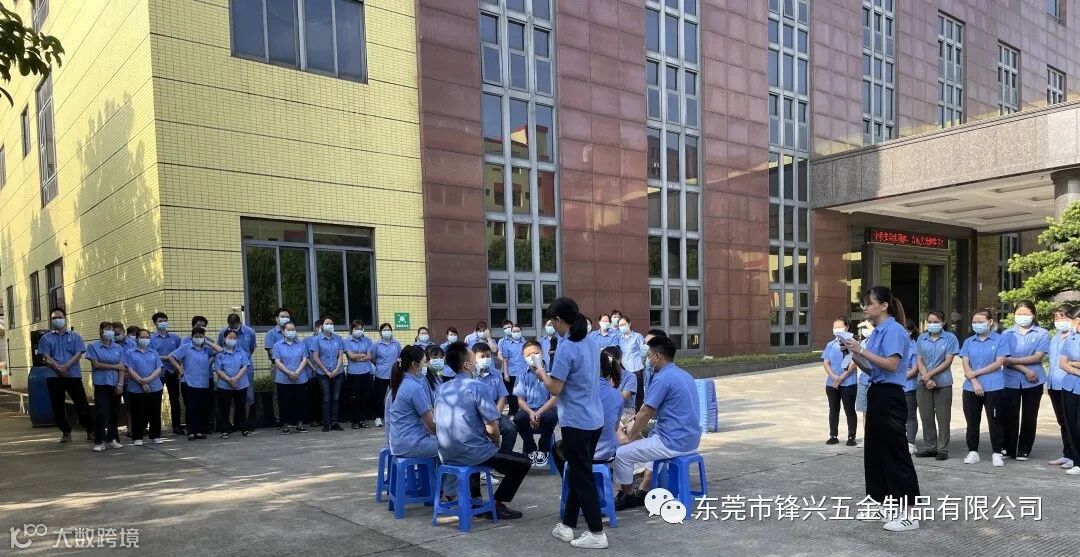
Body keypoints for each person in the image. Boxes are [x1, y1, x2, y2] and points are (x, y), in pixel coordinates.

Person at [841, 286, 920, 532]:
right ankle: (884, 504)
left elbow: (892, 364)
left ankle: (910, 513)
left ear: (884, 305)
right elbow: (872, 368)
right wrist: (854, 353)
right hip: (876, 392)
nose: (865, 308)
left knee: (896, 453)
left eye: (869, 303)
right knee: (875, 452)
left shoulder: (894, 330)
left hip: (891, 396)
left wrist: (862, 350)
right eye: (863, 304)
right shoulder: (876, 332)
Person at [533, 298, 607, 549]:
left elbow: (555, 388)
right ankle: (567, 524)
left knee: (582, 475)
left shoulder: (567, 348)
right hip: (594, 418)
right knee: (578, 471)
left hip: (576, 420)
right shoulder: (591, 341)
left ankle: (596, 532)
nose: (551, 326)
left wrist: (541, 373)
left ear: (558, 320)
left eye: (552, 321)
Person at [435, 341, 530, 520]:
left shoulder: (442, 388)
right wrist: (496, 443)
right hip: (472, 452)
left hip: (446, 452)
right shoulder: (476, 386)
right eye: (474, 357)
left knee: (477, 447)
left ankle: (475, 499)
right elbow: (492, 427)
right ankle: (497, 504)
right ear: (467, 365)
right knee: (523, 462)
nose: (478, 362)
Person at [612, 336, 701, 517]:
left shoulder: (662, 379)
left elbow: (646, 412)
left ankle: (628, 494)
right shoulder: (684, 375)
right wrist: (637, 418)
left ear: (658, 356)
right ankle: (645, 486)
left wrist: (629, 436)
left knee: (621, 453)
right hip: (691, 439)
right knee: (650, 438)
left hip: (672, 442)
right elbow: (660, 408)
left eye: (649, 355)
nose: (647, 359)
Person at [554, 345, 624, 475]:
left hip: (584, 453)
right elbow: (614, 428)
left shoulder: (576, 391)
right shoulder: (617, 394)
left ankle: (569, 482)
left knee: (556, 447)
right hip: (607, 453)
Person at [958, 308, 1010, 467]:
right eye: (974, 322)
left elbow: (998, 363)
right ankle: (973, 451)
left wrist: (975, 373)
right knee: (972, 421)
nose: (977, 325)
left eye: (980, 322)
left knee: (995, 421)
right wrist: (974, 381)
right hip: (970, 387)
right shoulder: (968, 342)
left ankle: (997, 453)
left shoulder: (1000, 340)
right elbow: (965, 363)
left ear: (990, 322)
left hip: (994, 386)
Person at [1001, 300, 1049, 461]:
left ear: (1033, 315)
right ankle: (1008, 448)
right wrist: (1026, 370)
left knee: (1030, 415)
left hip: (1034, 381)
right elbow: (1004, 358)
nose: (1022, 316)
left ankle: (1024, 449)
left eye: (1026, 314)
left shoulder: (1042, 333)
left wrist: (1013, 361)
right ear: (1014, 315)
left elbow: (1038, 357)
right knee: (1009, 415)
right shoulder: (1006, 334)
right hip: (1010, 379)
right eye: (1019, 314)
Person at [39, 307, 93, 443]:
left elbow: (79, 353)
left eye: (59, 317)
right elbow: (46, 356)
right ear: (51, 320)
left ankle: (90, 430)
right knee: (57, 405)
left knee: (81, 404)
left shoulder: (75, 336)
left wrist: (66, 366)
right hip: (53, 376)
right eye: (54, 318)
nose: (57, 320)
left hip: (73, 375)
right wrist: (58, 368)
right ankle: (65, 432)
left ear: (65, 318)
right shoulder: (46, 338)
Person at [914, 310, 960, 461]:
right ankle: (930, 447)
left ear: (943, 323)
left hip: (943, 382)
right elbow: (919, 360)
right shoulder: (921, 338)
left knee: (943, 417)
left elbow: (948, 361)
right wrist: (926, 378)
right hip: (923, 383)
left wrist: (929, 375)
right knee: (926, 416)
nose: (932, 324)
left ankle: (942, 449)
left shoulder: (950, 338)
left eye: (936, 322)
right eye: (930, 322)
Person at [385, 345, 439, 459]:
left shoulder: (399, 384)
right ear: (415, 364)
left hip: (398, 444)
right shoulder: (414, 387)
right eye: (425, 362)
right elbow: (431, 425)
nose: (427, 365)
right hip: (413, 444)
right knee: (454, 447)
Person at [167, 326, 218, 440]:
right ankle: (191, 431)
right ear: (192, 337)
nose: (198, 338)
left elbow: (220, 351)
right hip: (188, 382)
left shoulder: (206, 349)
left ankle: (199, 431)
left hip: (203, 382)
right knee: (191, 408)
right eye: (196, 336)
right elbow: (171, 357)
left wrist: (208, 343)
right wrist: (180, 369)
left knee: (201, 407)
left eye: (201, 336)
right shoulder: (186, 347)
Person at [513, 340, 558, 466]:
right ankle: (531, 449)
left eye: (536, 353)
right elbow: (520, 400)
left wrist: (538, 413)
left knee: (551, 417)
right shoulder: (522, 374)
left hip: (546, 409)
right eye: (528, 355)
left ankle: (543, 449)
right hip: (528, 409)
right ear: (523, 357)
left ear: (542, 353)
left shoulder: (552, 371)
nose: (532, 357)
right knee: (518, 418)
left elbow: (554, 398)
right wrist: (530, 413)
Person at [470, 342, 518, 452]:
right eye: (482, 356)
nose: (485, 359)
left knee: (510, 429)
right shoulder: (470, 375)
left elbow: (502, 397)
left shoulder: (496, 374)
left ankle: (503, 456)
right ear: (473, 358)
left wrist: (495, 417)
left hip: (495, 412)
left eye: (488, 356)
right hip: (476, 415)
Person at [85, 321, 126, 451]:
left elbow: (122, 367)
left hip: (115, 384)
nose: (110, 332)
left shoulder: (118, 348)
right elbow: (96, 364)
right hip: (101, 384)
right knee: (101, 413)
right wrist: (114, 366)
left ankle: (112, 438)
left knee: (114, 413)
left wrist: (120, 384)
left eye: (111, 329)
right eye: (107, 329)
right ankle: (100, 441)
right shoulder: (93, 346)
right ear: (101, 331)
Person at [124, 328, 164, 445]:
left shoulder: (154, 352)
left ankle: (155, 435)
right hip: (136, 388)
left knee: (155, 412)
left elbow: (158, 368)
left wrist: (148, 380)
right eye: (142, 337)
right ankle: (137, 437)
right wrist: (141, 382)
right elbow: (129, 369)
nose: (145, 339)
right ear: (137, 338)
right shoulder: (130, 353)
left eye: (147, 337)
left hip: (155, 387)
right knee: (137, 413)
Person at [822, 317, 858, 446]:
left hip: (848, 383)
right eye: (835, 327)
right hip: (831, 383)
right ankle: (833, 435)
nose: (836, 329)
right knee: (833, 410)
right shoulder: (830, 344)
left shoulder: (853, 343)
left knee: (849, 410)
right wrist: (834, 377)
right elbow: (826, 363)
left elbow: (854, 364)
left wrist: (841, 378)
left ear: (847, 327)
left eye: (839, 327)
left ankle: (851, 436)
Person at [1048, 305, 1075, 470]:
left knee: (1071, 421)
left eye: (1062, 316)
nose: (1058, 320)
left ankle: (1075, 456)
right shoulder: (1055, 338)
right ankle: (1067, 454)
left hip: (1068, 384)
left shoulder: (1074, 337)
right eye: (1056, 317)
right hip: (1053, 384)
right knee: (1062, 422)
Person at [271, 321, 310, 434]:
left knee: (300, 402)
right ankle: (285, 425)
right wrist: (289, 373)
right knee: (284, 402)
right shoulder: (277, 345)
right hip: (283, 379)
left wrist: (296, 372)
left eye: (293, 329)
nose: (291, 332)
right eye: (288, 330)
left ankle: (300, 424)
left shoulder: (301, 344)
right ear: (283, 332)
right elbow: (277, 362)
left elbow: (304, 359)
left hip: (300, 378)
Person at [149, 312, 184, 435]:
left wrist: (177, 365)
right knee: (155, 401)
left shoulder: (175, 338)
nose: (163, 323)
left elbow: (180, 354)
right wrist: (169, 357)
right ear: (155, 323)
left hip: (172, 371)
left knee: (175, 400)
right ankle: (155, 429)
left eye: (165, 320)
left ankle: (177, 426)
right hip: (158, 373)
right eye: (160, 321)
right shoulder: (151, 339)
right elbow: (152, 356)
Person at [214, 329, 253, 439]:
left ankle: (244, 428)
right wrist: (229, 380)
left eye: (234, 338)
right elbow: (218, 369)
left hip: (241, 384)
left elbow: (245, 366)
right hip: (224, 385)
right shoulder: (220, 354)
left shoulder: (241, 352)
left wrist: (235, 379)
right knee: (224, 408)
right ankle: (225, 430)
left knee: (241, 408)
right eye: (230, 337)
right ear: (224, 339)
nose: (232, 340)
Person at [1056, 306, 1080, 475]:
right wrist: (1076, 369)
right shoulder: (1071, 338)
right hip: (1069, 385)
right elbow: (1062, 363)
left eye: (1072, 319)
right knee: (1071, 424)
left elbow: (1069, 362)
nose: (1070, 323)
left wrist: (1073, 363)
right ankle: (1076, 461)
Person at [311, 315, 345, 432]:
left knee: (336, 398)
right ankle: (326, 423)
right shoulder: (317, 339)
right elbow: (315, 357)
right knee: (326, 398)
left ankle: (335, 422)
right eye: (327, 323)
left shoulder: (338, 339)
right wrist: (326, 371)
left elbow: (340, 355)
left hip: (337, 373)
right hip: (323, 373)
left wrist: (336, 369)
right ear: (322, 326)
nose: (329, 325)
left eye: (331, 323)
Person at [218, 313, 257, 412]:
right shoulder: (222, 333)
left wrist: (243, 360)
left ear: (240, 322)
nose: (233, 329)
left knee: (248, 396)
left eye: (235, 327)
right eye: (230, 326)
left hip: (246, 368)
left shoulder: (250, 332)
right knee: (229, 399)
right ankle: (231, 420)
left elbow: (251, 349)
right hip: (227, 370)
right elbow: (220, 349)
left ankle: (246, 420)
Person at [343, 320, 375, 428]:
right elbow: (351, 356)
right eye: (356, 328)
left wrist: (358, 357)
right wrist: (363, 356)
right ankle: (354, 421)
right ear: (351, 329)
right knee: (354, 397)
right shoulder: (347, 341)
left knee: (364, 396)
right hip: (353, 373)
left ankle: (362, 420)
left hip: (366, 372)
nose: (359, 330)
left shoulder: (368, 340)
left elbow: (369, 356)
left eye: (360, 328)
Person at [372, 323, 402, 427]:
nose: (387, 332)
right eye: (384, 330)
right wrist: (380, 366)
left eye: (388, 330)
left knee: (395, 396)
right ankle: (378, 417)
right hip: (381, 374)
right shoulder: (376, 345)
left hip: (394, 374)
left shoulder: (396, 344)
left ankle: (394, 416)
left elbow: (400, 357)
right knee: (379, 397)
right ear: (380, 332)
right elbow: (373, 358)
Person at [498, 323, 528, 417]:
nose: (516, 333)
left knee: (523, 393)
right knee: (511, 395)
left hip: (523, 373)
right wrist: (505, 374)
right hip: (511, 373)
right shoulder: (507, 345)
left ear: (521, 331)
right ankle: (512, 412)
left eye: (518, 331)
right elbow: (505, 360)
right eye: (514, 331)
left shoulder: (526, 344)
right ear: (511, 332)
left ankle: (524, 412)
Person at [853, 320, 874, 447]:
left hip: (874, 380)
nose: (864, 331)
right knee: (865, 411)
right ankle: (867, 438)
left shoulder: (877, 339)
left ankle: (875, 439)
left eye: (866, 327)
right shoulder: (862, 342)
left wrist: (869, 325)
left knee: (875, 412)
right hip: (863, 379)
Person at [902, 320, 920, 455]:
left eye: (906, 330)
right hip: (895, 387)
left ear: (911, 331)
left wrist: (898, 377)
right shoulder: (896, 345)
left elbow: (914, 370)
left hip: (909, 387)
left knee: (910, 416)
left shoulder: (915, 347)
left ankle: (911, 442)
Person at [617, 317, 645, 388]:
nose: (622, 327)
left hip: (636, 369)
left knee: (638, 391)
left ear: (629, 324)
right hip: (625, 370)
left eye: (624, 324)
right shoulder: (620, 338)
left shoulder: (637, 336)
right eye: (620, 325)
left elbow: (644, 351)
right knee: (627, 390)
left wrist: (642, 362)